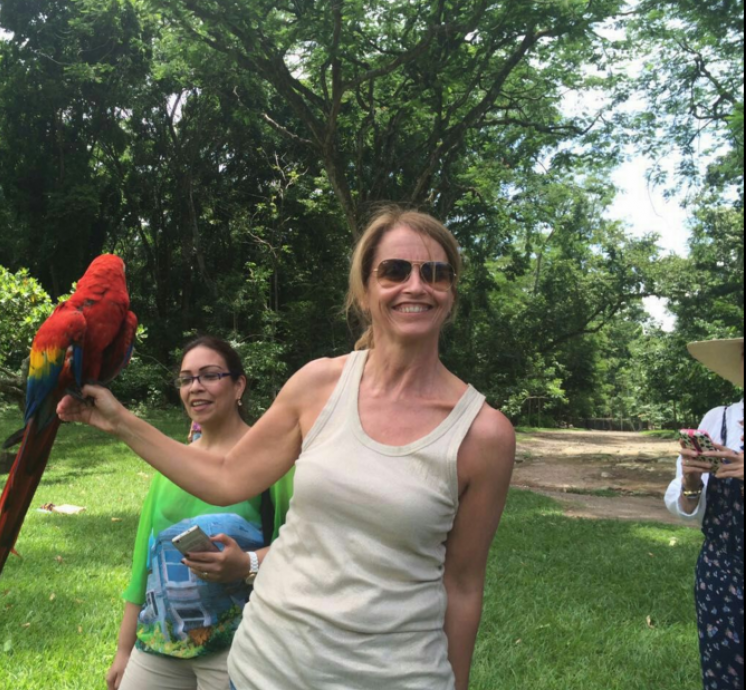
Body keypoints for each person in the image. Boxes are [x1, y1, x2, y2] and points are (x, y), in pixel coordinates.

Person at [60, 207, 515, 690]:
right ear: (365, 289)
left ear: (450, 294)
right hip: (264, 670)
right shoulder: (319, 384)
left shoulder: (482, 435)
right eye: (395, 270)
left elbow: (463, 586)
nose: (416, 285)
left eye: (436, 273)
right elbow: (225, 477)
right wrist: (120, 421)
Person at [106, 336, 294, 690]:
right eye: (186, 378)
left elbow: (303, 545)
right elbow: (142, 563)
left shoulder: (273, 461)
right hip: (158, 643)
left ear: (239, 385)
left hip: (238, 646)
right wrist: (123, 649)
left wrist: (248, 562)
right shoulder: (172, 463)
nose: (196, 388)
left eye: (210, 375)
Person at [665, 337, 744, 690]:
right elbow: (686, 508)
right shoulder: (719, 419)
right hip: (723, 575)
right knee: (724, 675)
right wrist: (691, 480)